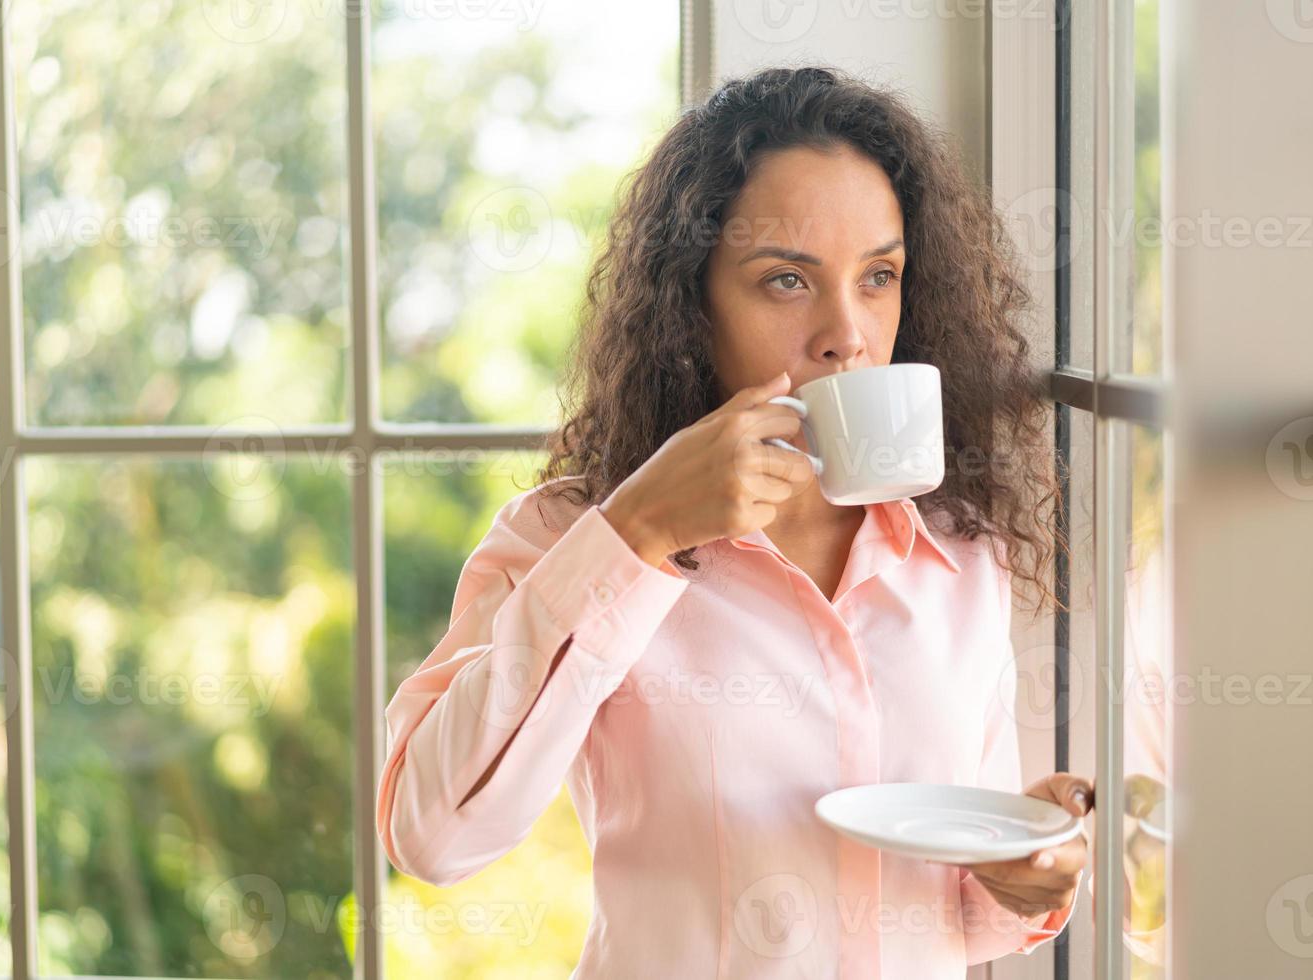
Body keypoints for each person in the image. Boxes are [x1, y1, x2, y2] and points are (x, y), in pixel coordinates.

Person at [376, 64, 1093, 978]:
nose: (848, 333)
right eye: (786, 281)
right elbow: (432, 838)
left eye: (878, 276)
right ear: (689, 306)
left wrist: (1020, 877)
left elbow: (947, 894)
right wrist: (632, 535)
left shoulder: (959, 549)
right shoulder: (568, 535)